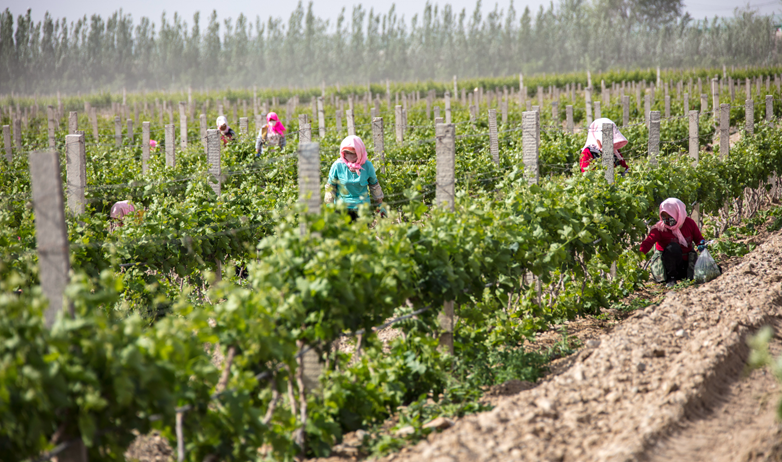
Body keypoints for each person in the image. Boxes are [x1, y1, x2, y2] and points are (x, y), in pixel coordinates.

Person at [640, 198, 706, 287]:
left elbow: (698, 239)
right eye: (664, 216)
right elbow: (648, 243)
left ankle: (689, 276)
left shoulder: (689, 223)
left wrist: (702, 245)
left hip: (686, 266)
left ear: (678, 213)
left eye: (670, 216)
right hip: (668, 268)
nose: (666, 219)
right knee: (673, 248)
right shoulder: (659, 228)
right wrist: (638, 255)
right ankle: (671, 279)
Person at [325, 135, 385, 221]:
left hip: (362, 208)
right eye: (347, 153)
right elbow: (330, 186)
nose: (349, 156)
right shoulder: (337, 166)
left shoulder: (367, 166)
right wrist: (329, 205)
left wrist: (380, 204)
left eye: (353, 153)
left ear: (359, 152)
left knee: (362, 233)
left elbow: (374, 185)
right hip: (342, 208)